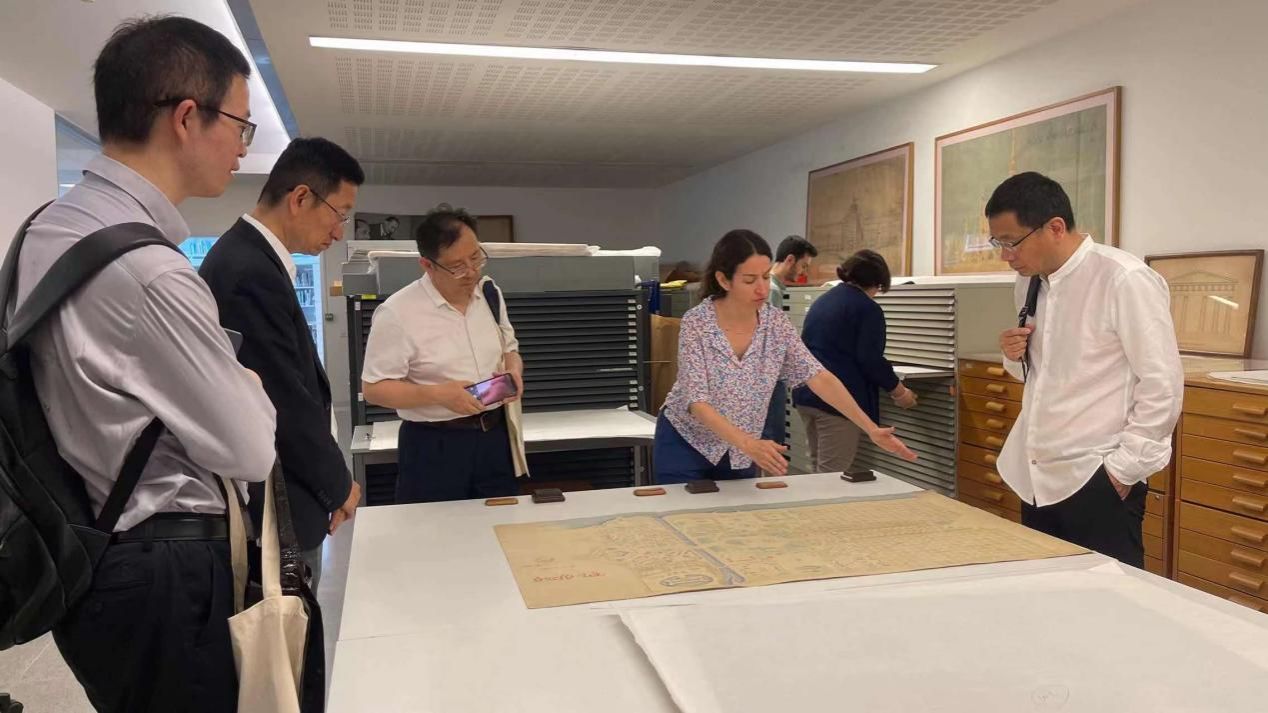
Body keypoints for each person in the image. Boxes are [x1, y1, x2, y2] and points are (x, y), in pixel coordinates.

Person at [15, 16, 277, 712]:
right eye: (241, 125)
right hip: (165, 575)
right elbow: (250, 449)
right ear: (187, 118)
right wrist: (245, 382)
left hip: (87, 551)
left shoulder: (46, 230)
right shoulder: (150, 272)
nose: (243, 148)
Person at [991, 172, 1183, 567]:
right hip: (1036, 476)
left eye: (1011, 242)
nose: (1006, 256)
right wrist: (1013, 354)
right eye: (999, 243)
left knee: (1109, 597)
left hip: (1096, 475)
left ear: (1055, 227)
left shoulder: (1124, 278)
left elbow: (1162, 384)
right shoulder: (1028, 284)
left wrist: (1123, 471)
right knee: (1044, 592)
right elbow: (1043, 377)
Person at [200, 137, 365, 591]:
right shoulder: (248, 272)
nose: (339, 232)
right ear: (301, 198)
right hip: (275, 503)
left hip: (282, 496)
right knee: (289, 626)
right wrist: (338, 484)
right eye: (340, 214)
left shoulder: (250, 261)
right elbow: (283, 402)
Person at [654, 230, 916, 484]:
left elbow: (818, 376)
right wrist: (749, 444)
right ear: (724, 280)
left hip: (742, 449)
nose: (762, 289)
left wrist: (870, 428)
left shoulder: (775, 323)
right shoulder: (697, 323)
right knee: (685, 510)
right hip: (687, 441)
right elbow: (697, 401)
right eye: (750, 280)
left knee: (737, 513)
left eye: (765, 277)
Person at [361, 205, 527, 503]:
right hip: (434, 446)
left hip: (494, 438)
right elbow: (374, 389)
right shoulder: (398, 313)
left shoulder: (490, 293)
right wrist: (439, 395)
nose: (472, 272)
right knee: (432, 529)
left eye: (475, 257)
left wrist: (514, 371)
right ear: (428, 265)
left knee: (501, 524)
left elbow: (509, 349)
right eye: (457, 266)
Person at [793, 250, 917, 472]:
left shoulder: (824, 300)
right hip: (838, 402)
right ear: (877, 283)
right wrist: (900, 393)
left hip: (807, 394)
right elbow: (870, 360)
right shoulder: (866, 308)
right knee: (833, 474)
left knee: (818, 471)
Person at [762, 235, 818, 451]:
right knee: (771, 440)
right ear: (790, 260)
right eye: (804, 266)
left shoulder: (776, 289)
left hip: (772, 377)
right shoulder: (772, 292)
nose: (803, 272)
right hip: (769, 379)